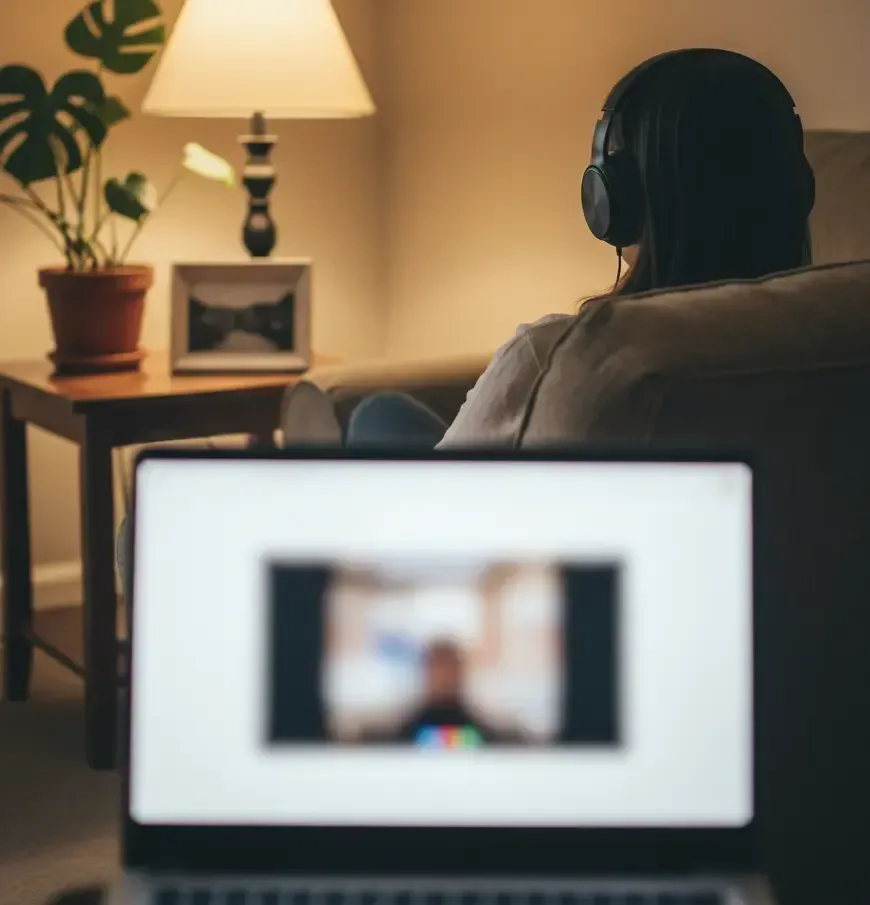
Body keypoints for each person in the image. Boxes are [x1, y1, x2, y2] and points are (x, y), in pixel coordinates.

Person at [346, 48, 816, 448]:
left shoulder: (556, 354)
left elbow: (445, 496)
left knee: (379, 415)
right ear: (798, 191)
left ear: (613, 198)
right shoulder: (840, 337)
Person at [357, 639, 525, 746]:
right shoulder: (407, 728)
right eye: (437, 669)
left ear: (460, 673)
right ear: (426, 673)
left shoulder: (477, 729)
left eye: (450, 670)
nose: (444, 678)